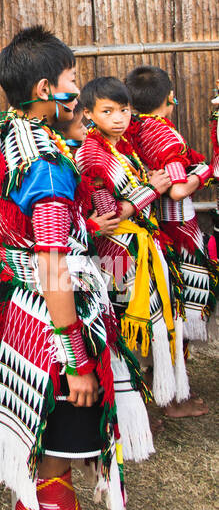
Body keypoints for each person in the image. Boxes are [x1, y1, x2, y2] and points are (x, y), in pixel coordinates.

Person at [0, 29, 149, 510]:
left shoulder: (6, 137)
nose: (78, 92)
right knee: (59, 452)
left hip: (21, 316)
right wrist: (76, 354)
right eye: (72, 81)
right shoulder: (48, 161)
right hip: (54, 323)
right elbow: (53, 259)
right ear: (46, 88)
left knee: (38, 438)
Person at [78, 76, 191, 413]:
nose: (118, 118)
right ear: (88, 114)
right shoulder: (94, 154)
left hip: (138, 246)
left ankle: (145, 405)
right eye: (108, 111)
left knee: (143, 324)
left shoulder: (120, 146)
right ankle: (130, 411)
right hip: (117, 254)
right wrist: (151, 190)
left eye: (124, 110)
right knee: (126, 326)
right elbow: (107, 215)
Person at [125, 66, 216, 411]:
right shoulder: (165, 136)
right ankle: (176, 392)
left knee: (164, 312)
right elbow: (178, 190)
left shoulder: (133, 130)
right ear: (169, 99)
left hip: (151, 229)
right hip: (178, 233)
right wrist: (205, 172)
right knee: (181, 308)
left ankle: (161, 384)